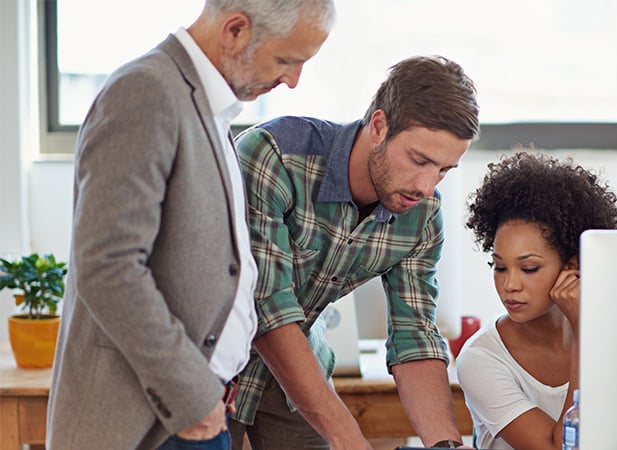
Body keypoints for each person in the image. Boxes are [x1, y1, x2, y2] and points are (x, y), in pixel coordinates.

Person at [46, 1, 334, 449]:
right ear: (235, 30)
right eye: (286, 59)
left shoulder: (207, 106)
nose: (292, 80)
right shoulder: (146, 92)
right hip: (154, 417)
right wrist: (194, 396)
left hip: (194, 409)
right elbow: (108, 268)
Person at [228, 55, 480, 450]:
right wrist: (349, 437)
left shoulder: (423, 215)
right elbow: (269, 308)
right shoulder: (273, 158)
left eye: (444, 170)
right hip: (212, 367)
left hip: (296, 376)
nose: (427, 186)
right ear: (378, 126)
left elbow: (415, 336)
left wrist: (445, 445)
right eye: (419, 160)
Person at [456, 151, 617, 450]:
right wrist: (582, 331)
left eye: (529, 268)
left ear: (573, 265)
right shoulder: (481, 359)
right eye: (499, 267)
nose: (510, 285)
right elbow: (561, 448)